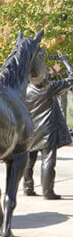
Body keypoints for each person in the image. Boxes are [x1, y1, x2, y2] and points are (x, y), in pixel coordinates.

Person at [24, 53, 73, 199]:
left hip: (30, 129)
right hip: (47, 129)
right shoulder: (49, 87)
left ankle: (28, 188)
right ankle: (48, 192)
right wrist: (66, 62)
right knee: (48, 159)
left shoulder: (26, 89)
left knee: (29, 160)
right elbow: (71, 78)